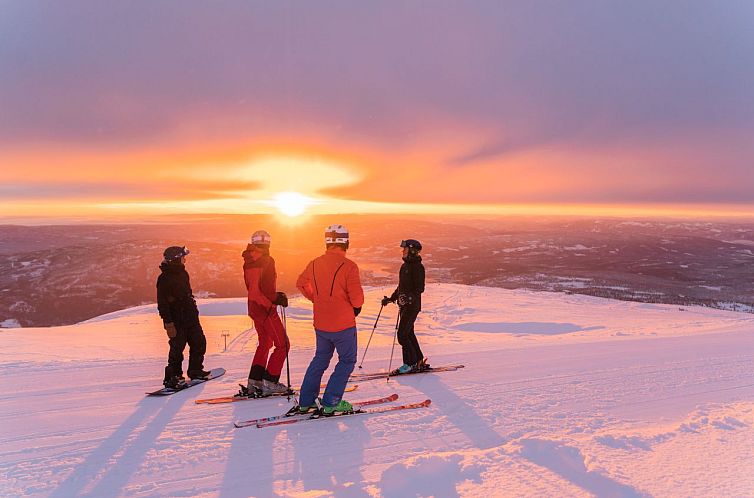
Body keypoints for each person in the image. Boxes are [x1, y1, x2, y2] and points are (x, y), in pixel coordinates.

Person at [295, 224, 364, 415]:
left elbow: (301, 283)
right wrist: (355, 307)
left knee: (320, 359)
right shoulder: (349, 266)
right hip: (343, 324)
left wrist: (316, 298)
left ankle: (306, 401)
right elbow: (357, 298)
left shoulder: (315, 263)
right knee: (347, 360)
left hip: (321, 323)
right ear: (346, 242)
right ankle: (331, 401)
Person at [242, 230, 290, 396]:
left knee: (265, 343)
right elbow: (259, 292)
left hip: (255, 309)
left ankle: (255, 380)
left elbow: (255, 289)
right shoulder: (265, 260)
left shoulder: (249, 260)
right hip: (265, 310)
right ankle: (270, 382)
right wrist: (275, 299)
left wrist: (274, 297)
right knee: (283, 345)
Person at [156, 246, 210, 388]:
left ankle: (195, 370)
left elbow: (188, 295)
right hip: (176, 320)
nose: (184, 260)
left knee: (199, 343)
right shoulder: (164, 279)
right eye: (182, 257)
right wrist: (168, 323)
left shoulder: (183, 273)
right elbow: (162, 304)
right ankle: (173, 377)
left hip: (190, 317)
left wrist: (193, 310)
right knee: (177, 348)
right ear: (175, 260)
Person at [381, 239, 427, 374]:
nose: (403, 251)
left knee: (402, 335)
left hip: (412, 307)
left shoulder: (417, 267)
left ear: (412, 251)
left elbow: (420, 288)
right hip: (404, 306)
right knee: (408, 333)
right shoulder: (405, 266)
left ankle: (410, 363)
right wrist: (391, 298)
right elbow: (401, 287)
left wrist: (408, 298)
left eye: (405, 249)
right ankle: (418, 360)